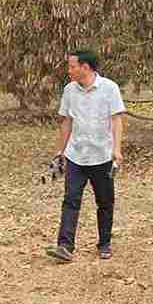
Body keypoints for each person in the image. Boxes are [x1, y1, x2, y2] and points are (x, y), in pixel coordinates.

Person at [46, 49, 125, 262]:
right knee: (70, 200)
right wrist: (60, 151)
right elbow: (67, 121)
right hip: (76, 156)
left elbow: (116, 120)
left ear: (85, 67)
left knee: (105, 202)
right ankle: (65, 246)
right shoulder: (70, 90)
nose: (68, 70)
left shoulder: (110, 88)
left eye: (72, 66)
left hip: (102, 156)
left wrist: (117, 149)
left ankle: (105, 243)